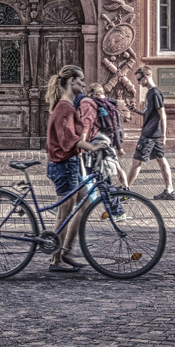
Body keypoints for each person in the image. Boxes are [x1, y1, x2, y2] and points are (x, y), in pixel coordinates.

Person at [45, 65, 106, 273]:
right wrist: (92, 147)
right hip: (63, 166)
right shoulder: (65, 107)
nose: (84, 84)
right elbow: (67, 139)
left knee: (86, 202)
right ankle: (56, 258)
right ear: (71, 81)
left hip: (68, 164)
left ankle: (65, 250)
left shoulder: (67, 106)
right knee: (63, 215)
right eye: (81, 80)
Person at [127, 65, 175, 200]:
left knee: (136, 161)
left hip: (150, 135)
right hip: (153, 134)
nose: (138, 83)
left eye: (139, 80)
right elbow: (149, 114)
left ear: (146, 77)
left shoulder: (155, 94)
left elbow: (162, 115)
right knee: (161, 160)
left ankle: (125, 191)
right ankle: (169, 190)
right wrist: (135, 110)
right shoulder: (150, 94)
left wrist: (164, 136)